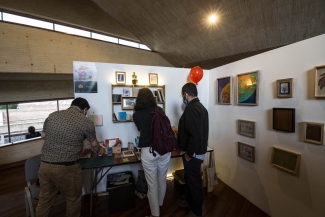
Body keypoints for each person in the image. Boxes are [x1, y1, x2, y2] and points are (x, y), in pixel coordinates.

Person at [36, 97, 101, 217]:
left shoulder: (53, 115)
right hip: (67, 169)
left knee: (45, 201)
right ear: (85, 109)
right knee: (73, 200)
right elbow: (95, 145)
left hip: (44, 165)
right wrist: (100, 150)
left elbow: (43, 136)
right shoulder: (85, 122)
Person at [133, 88, 171, 217]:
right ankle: (160, 205)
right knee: (162, 179)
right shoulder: (159, 110)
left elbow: (140, 130)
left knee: (152, 184)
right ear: (151, 98)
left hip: (148, 151)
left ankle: (155, 214)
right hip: (164, 149)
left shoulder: (137, 114)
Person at [176, 83, 209, 217]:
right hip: (197, 152)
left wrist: (189, 153)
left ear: (186, 94)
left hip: (193, 154)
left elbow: (195, 135)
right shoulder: (201, 108)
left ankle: (196, 212)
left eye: (182, 95)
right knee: (189, 180)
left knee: (195, 183)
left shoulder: (191, 109)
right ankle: (189, 202)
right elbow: (194, 131)